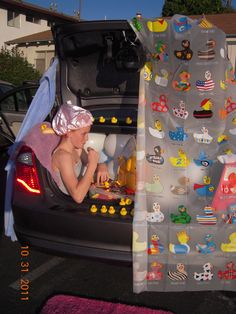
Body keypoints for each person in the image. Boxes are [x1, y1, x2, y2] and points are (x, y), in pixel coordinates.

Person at [51, 103, 109, 204]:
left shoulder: (76, 150)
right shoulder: (63, 156)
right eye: (83, 134)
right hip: (69, 208)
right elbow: (78, 197)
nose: (87, 138)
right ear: (68, 132)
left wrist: (101, 165)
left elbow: (93, 164)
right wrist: (93, 165)